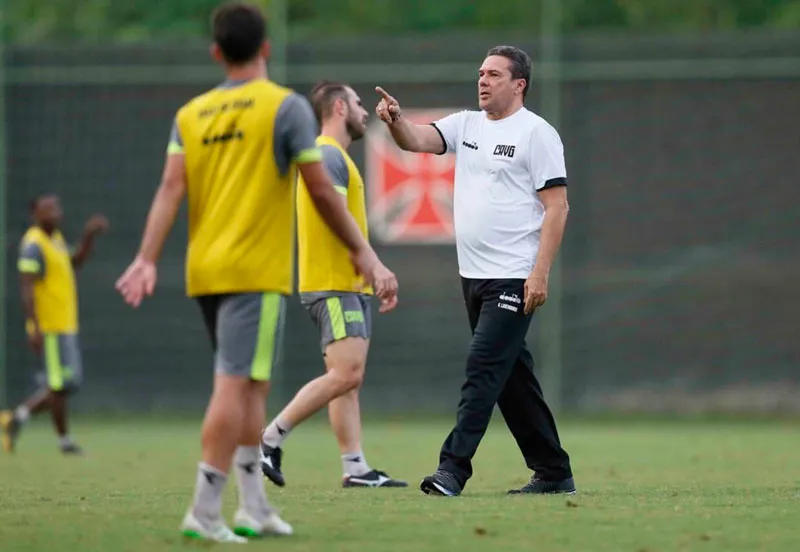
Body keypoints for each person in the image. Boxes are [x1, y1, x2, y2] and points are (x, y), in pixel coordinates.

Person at [114, 3, 398, 543]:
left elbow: (170, 188)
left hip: (205, 269)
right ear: (266, 48)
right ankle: (203, 507)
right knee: (234, 387)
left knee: (250, 389)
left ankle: (254, 506)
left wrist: (146, 258)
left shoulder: (191, 113)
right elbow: (318, 189)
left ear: (216, 53)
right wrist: (364, 251)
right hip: (254, 271)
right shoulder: (284, 108)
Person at [374, 45, 575, 497]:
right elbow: (416, 141)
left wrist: (539, 273)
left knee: (483, 368)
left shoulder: (537, 134)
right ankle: (553, 471)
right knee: (511, 379)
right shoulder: (465, 124)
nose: (483, 81)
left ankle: (452, 469)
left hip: (514, 275)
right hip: (473, 276)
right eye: (481, 73)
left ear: (519, 84)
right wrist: (394, 121)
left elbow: (557, 208)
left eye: (494, 75)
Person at [259, 81, 406, 489]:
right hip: (334, 283)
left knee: (347, 381)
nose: (364, 111)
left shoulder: (332, 155)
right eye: (358, 104)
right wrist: (374, 265)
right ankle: (269, 440)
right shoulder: (326, 153)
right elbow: (333, 214)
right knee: (346, 373)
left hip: (344, 283)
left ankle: (355, 466)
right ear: (340, 108)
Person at [1, 194, 108, 456]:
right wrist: (33, 325)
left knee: (64, 384)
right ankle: (61, 440)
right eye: (47, 210)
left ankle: (16, 418)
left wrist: (88, 236)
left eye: (56, 208)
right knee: (60, 384)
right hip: (49, 327)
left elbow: (75, 263)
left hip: (65, 324)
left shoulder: (56, 241)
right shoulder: (33, 245)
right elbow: (26, 288)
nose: (54, 213)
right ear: (34, 214)